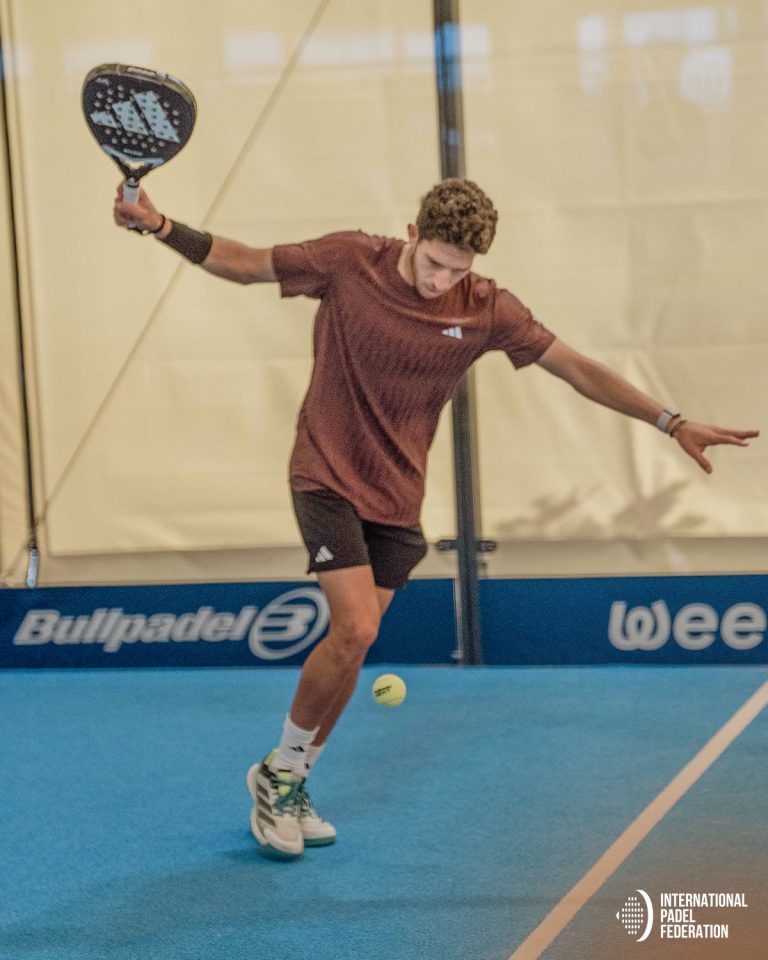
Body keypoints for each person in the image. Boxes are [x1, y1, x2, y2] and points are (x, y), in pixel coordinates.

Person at [113, 178, 758, 859]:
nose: (441, 280)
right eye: (434, 262)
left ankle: (291, 777)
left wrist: (670, 421)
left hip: (397, 496)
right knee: (357, 626)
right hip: (325, 472)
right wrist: (161, 226)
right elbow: (247, 264)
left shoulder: (486, 308)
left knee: (355, 646)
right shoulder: (349, 261)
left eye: (458, 269)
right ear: (412, 233)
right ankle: (277, 777)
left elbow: (575, 368)